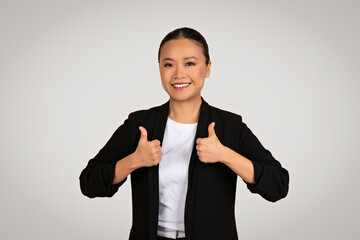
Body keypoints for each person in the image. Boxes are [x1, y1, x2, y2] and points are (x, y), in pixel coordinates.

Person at [79, 27, 289, 240]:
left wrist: (225, 155)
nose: (179, 74)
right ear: (159, 68)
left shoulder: (229, 126)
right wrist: (134, 160)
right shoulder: (140, 124)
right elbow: (89, 183)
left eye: (190, 63)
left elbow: (278, 185)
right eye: (168, 64)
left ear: (207, 68)